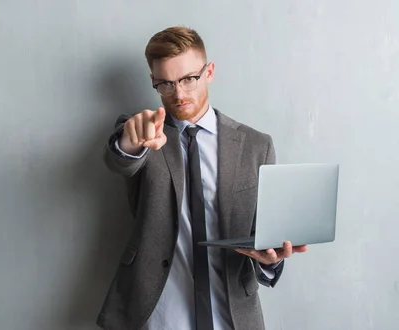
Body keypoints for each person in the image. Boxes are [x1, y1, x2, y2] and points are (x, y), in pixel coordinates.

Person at [96, 26, 308, 330]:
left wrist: (272, 258)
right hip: (159, 313)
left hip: (233, 312)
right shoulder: (143, 132)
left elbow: (264, 233)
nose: (178, 94)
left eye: (188, 79)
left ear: (208, 72)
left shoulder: (256, 146)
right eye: (166, 84)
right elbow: (119, 160)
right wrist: (132, 140)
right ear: (153, 82)